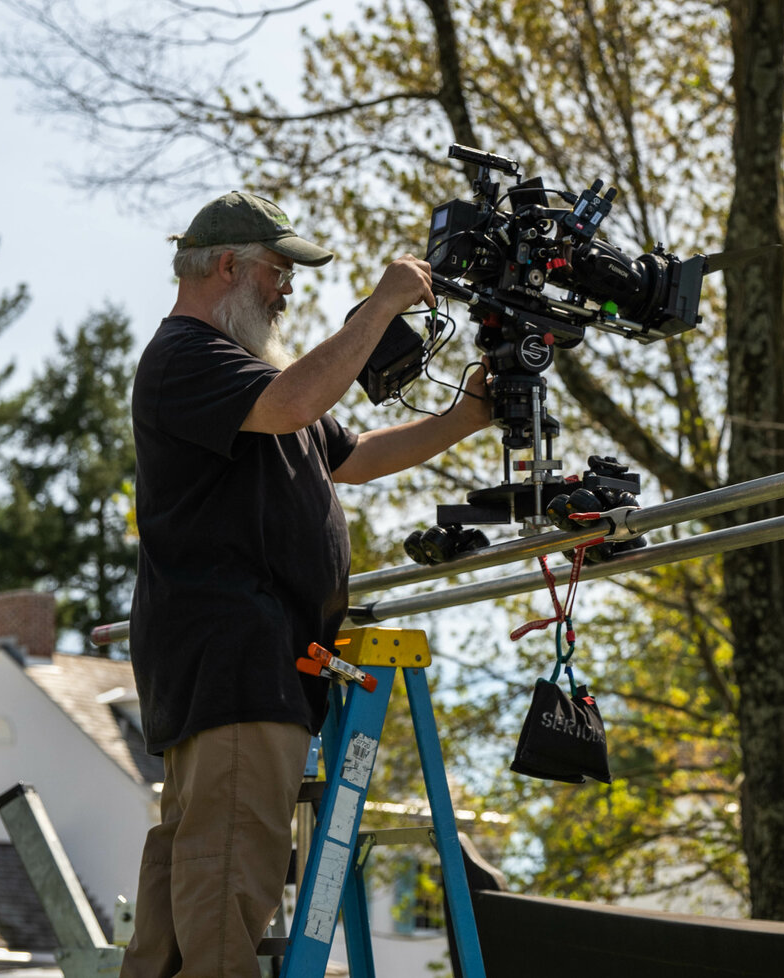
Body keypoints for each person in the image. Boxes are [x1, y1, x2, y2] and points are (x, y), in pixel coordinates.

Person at [121, 191, 492, 978]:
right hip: (237, 676)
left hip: (246, 675)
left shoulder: (244, 375)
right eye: (278, 271)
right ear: (228, 265)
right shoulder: (187, 358)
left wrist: (469, 413)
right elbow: (296, 403)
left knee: (177, 927)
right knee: (224, 915)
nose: (288, 289)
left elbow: (351, 456)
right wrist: (385, 302)